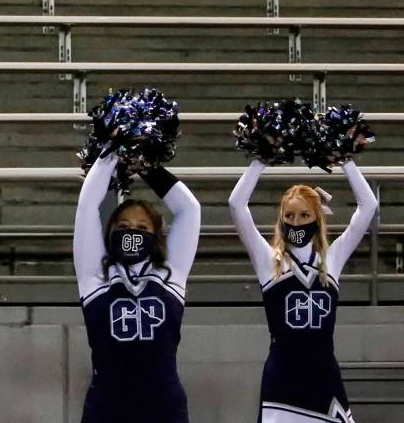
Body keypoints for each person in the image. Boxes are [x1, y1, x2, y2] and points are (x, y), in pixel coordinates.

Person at [229, 159, 377, 422]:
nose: (296, 222)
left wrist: (347, 161)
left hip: (323, 377)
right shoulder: (270, 261)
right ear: (281, 220)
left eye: (304, 215)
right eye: (289, 216)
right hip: (283, 379)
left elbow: (369, 206)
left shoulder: (331, 259)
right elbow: (236, 205)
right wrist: (259, 160)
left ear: (317, 219)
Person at [74, 152, 201, 423]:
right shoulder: (95, 276)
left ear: (155, 236)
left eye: (142, 226)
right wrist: (112, 149)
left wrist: (145, 164)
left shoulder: (171, 275)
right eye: (123, 226)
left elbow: (190, 209)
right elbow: (87, 206)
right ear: (110, 232)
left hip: (164, 407)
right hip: (107, 408)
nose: (132, 231)